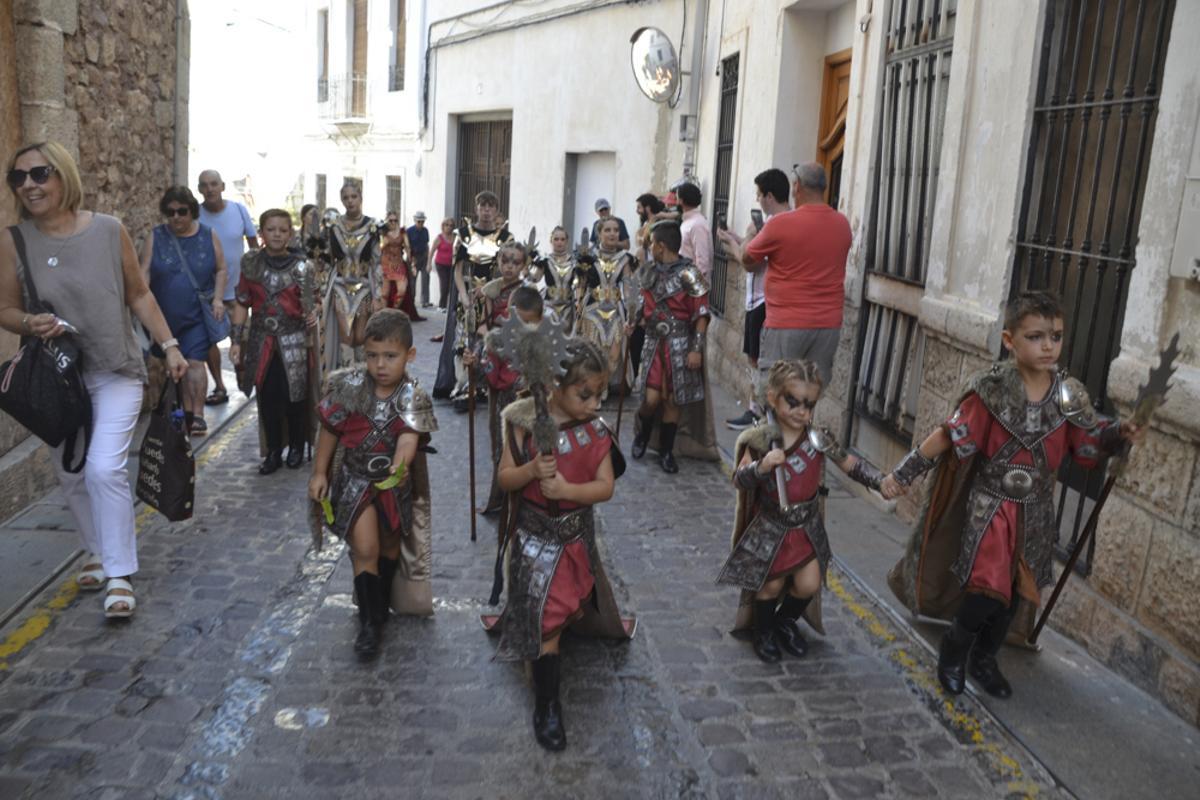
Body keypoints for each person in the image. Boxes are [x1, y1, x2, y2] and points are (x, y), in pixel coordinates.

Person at [883, 292, 1145, 699]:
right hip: (991, 505)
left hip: (1037, 510)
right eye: (1036, 336)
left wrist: (1116, 436)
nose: (1048, 346)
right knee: (988, 586)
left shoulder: (1067, 396)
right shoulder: (991, 391)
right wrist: (904, 473)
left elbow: (1087, 444)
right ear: (1010, 340)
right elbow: (951, 436)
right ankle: (954, 649)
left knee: (1017, 594)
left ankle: (984, 658)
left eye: (1055, 337)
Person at [1, 141, 188, 619]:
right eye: (18, 178)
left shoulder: (108, 230)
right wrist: (28, 324)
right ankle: (97, 552)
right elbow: (5, 309)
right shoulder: (13, 240)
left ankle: (120, 574)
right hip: (58, 379)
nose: (29, 185)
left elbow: (139, 293)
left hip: (114, 369)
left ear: (63, 175)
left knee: (104, 467)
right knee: (70, 471)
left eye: (40, 174)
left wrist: (168, 346)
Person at [486, 339, 635, 751]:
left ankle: (555, 636)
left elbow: (605, 488)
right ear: (553, 386)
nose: (593, 403)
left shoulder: (597, 431)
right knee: (549, 619)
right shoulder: (522, 424)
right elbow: (505, 480)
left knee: (567, 607)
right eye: (583, 394)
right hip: (534, 539)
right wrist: (532, 469)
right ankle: (547, 705)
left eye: (599, 395)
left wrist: (567, 487)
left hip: (575, 541)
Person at [720, 360, 885, 662]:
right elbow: (739, 480)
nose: (801, 411)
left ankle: (785, 622)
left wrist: (881, 482)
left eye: (808, 404)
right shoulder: (759, 440)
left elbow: (849, 464)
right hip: (771, 525)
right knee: (770, 585)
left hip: (806, 526)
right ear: (773, 397)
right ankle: (764, 629)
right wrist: (762, 465)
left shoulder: (817, 438)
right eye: (793, 402)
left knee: (809, 583)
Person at [309, 309, 438, 660]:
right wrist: (320, 472)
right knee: (365, 548)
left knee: (389, 548)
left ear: (409, 356)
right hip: (355, 482)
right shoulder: (348, 389)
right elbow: (330, 430)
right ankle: (369, 623)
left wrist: (399, 469)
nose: (380, 364)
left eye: (390, 356)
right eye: (372, 356)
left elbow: (409, 439)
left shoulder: (414, 396)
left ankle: (379, 605)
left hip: (393, 487)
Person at [718, 162, 851, 386]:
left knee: (776, 391)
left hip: (787, 323)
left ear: (796, 186)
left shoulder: (780, 224)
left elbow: (747, 260)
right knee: (810, 391)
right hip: (828, 324)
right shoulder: (842, 224)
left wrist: (734, 241)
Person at [228, 209, 319, 475]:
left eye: (282, 230)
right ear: (262, 233)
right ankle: (273, 451)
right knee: (267, 397)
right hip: (261, 340)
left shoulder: (302, 267)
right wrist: (235, 341)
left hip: (294, 338)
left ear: (290, 234)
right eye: (271, 229)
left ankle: (296, 447)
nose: (277, 234)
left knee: (296, 396)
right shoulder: (251, 264)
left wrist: (313, 315)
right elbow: (243, 303)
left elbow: (311, 304)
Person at [629, 221, 718, 473]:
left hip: (680, 344)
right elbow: (640, 305)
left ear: (661, 245)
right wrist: (633, 323)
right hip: (653, 342)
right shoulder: (648, 272)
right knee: (650, 399)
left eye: (653, 244)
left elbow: (701, 313)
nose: (651, 248)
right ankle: (643, 436)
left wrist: (696, 350)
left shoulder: (689, 274)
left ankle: (666, 451)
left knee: (672, 401)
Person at [141, 185, 228, 437]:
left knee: (194, 362)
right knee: (163, 364)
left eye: (182, 211)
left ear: (192, 211)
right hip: (163, 318)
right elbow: (143, 272)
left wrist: (219, 299)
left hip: (196, 316)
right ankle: (171, 411)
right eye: (170, 212)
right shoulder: (156, 237)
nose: (176, 217)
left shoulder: (208, 235)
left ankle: (196, 415)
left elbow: (221, 269)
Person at [466, 279, 543, 516]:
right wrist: (474, 366)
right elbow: (486, 376)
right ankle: (503, 502)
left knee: (535, 452)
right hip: (506, 407)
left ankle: (535, 500)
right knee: (505, 452)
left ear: (539, 319)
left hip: (538, 408)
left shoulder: (547, 342)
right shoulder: (497, 342)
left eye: (529, 322)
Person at [723, 169, 791, 430]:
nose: (757, 200)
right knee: (756, 357)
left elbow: (748, 262)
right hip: (761, 299)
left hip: (763, 300)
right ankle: (758, 410)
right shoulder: (775, 224)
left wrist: (733, 244)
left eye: (759, 194)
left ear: (770, 196)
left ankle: (757, 412)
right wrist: (740, 239)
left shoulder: (775, 224)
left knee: (757, 359)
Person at [432, 190, 511, 401]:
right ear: (476, 209)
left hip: (493, 296)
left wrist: (495, 292)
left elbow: (508, 270)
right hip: (467, 295)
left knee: (489, 340)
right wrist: (464, 298)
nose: (486, 211)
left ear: (496, 210)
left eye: (490, 206)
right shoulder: (464, 235)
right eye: (482, 206)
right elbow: (457, 271)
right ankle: (463, 382)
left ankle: (485, 383)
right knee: (464, 340)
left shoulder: (505, 238)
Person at [197, 169, 257, 407]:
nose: (210, 189)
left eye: (214, 184)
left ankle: (243, 375)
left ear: (222, 187)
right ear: (200, 189)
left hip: (238, 291)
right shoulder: (195, 216)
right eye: (204, 185)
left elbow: (253, 247)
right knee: (210, 340)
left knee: (242, 338)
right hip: (208, 292)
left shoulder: (239, 210)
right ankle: (220, 386)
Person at [314, 180, 386, 374]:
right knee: (346, 334)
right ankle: (346, 378)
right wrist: (319, 292)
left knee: (360, 336)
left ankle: (361, 376)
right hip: (340, 286)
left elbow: (377, 262)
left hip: (363, 288)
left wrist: (378, 295)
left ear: (361, 198)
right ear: (341, 200)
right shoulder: (333, 226)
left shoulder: (373, 226)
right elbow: (325, 260)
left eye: (354, 197)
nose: (350, 201)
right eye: (346, 198)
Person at [578, 218, 637, 399]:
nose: (613, 234)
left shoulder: (626, 259)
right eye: (608, 230)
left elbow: (628, 288)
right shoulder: (588, 257)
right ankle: (594, 391)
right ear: (599, 233)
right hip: (592, 310)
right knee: (593, 354)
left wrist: (631, 313)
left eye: (616, 230)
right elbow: (580, 285)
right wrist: (578, 305)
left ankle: (602, 385)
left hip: (615, 310)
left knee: (613, 356)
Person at [531, 226, 585, 335]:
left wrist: (580, 302)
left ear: (567, 241)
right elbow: (535, 279)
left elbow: (580, 285)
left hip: (568, 308)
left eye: (562, 239)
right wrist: (526, 263)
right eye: (556, 239)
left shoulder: (575, 261)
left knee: (566, 340)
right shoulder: (544, 260)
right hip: (549, 306)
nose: (559, 242)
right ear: (551, 241)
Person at [381, 211, 424, 322]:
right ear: (387, 220)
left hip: (398, 264)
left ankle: (393, 312)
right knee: (384, 294)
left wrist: (412, 263)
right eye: (391, 220)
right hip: (385, 264)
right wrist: (383, 241)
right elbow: (377, 249)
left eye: (395, 220)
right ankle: (383, 316)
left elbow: (408, 249)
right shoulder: (382, 232)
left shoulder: (402, 232)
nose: (393, 222)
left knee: (402, 291)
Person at [676, 182, 713, 281]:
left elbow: (702, 263)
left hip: (694, 286)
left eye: (677, 198)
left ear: (681, 200)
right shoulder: (688, 222)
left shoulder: (697, 224)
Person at [407, 211, 433, 309]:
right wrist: (411, 258)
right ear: (415, 220)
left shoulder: (425, 230)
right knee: (412, 281)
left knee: (426, 278)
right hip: (413, 257)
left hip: (424, 256)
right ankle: (411, 300)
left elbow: (427, 245)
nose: (421, 224)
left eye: (422, 222)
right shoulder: (409, 231)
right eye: (419, 222)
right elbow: (407, 246)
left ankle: (425, 301)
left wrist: (429, 260)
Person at [430, 217, 456, 312]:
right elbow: (432, 251)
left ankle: (447, 305)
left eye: (451, 225)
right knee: (444, 284)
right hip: (440, 264)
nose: (449, 227)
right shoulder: (439, 238)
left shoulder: (455, 237)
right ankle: (441, 306)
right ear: (443, 226)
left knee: (450, 285)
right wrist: (429, 264)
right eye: (447, 225)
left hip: (451, 265)